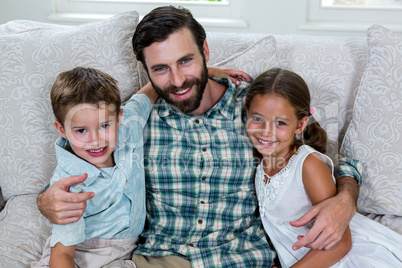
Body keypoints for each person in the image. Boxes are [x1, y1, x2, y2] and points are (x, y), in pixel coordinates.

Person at [37, 6, 362, 268]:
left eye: (186, 61)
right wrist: (46, 200)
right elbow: (84, 152)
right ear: (146, 71)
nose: (177, 80)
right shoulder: (133, 121)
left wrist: (345, 199)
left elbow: (324, 156)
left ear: (205, 51)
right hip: (160, 258)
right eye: (161, 68)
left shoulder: (254, 108)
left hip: (240, 259)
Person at [245, 68, 402, 268]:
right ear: (246, 113)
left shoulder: (308, 164)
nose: (266, 132)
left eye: (281, 123)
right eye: (257, 118)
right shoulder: (260, 161)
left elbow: (340, 243)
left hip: (340, 258)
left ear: (300, 125)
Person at [32, 67, 158, 268]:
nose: (95, 141)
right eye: (81, 130)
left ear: (118, 119)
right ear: (62, 130)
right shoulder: (69, 187)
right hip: (79, 254)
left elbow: (149, 93)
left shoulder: (128, 126)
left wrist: (206, 72)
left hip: (124, 254)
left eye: (104, 126)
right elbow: (62, 254)